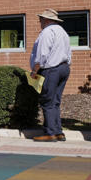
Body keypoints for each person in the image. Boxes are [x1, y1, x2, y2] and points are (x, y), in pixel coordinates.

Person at [29, 8, 72, 142]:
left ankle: (50, 133)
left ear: (47, 20)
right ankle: (58, 132)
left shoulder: (47, 32)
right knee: (55, 102)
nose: (40, 22)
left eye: (41, 20)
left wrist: (35, 71)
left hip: (51, 69)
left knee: (47, 101)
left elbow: (42, 55)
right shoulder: (63, 32)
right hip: (64, 68)